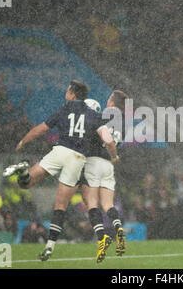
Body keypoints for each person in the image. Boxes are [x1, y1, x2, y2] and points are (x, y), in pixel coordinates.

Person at [3, 80, 119, 261]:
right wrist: (114, 156)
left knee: (26, 183)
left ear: (72, 94)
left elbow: (39, 130)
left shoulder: (63, 110)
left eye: (68, 90)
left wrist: (22, 142)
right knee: (60, 206)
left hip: (59, 151)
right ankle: (49, 248)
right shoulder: (92, 115)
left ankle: (24, 171)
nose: (66, 93)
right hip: (77, 159)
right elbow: (109, 140)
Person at [78, 90, 128, 263]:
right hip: (108, 164)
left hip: (94, 161)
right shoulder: (123, 123)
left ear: (112, 101)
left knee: (91, 203)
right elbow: (115, 143)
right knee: (108, 204)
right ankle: (118, 229)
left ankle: (102, 238)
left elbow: (94, 134)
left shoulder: (104, 114)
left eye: (108, 98)